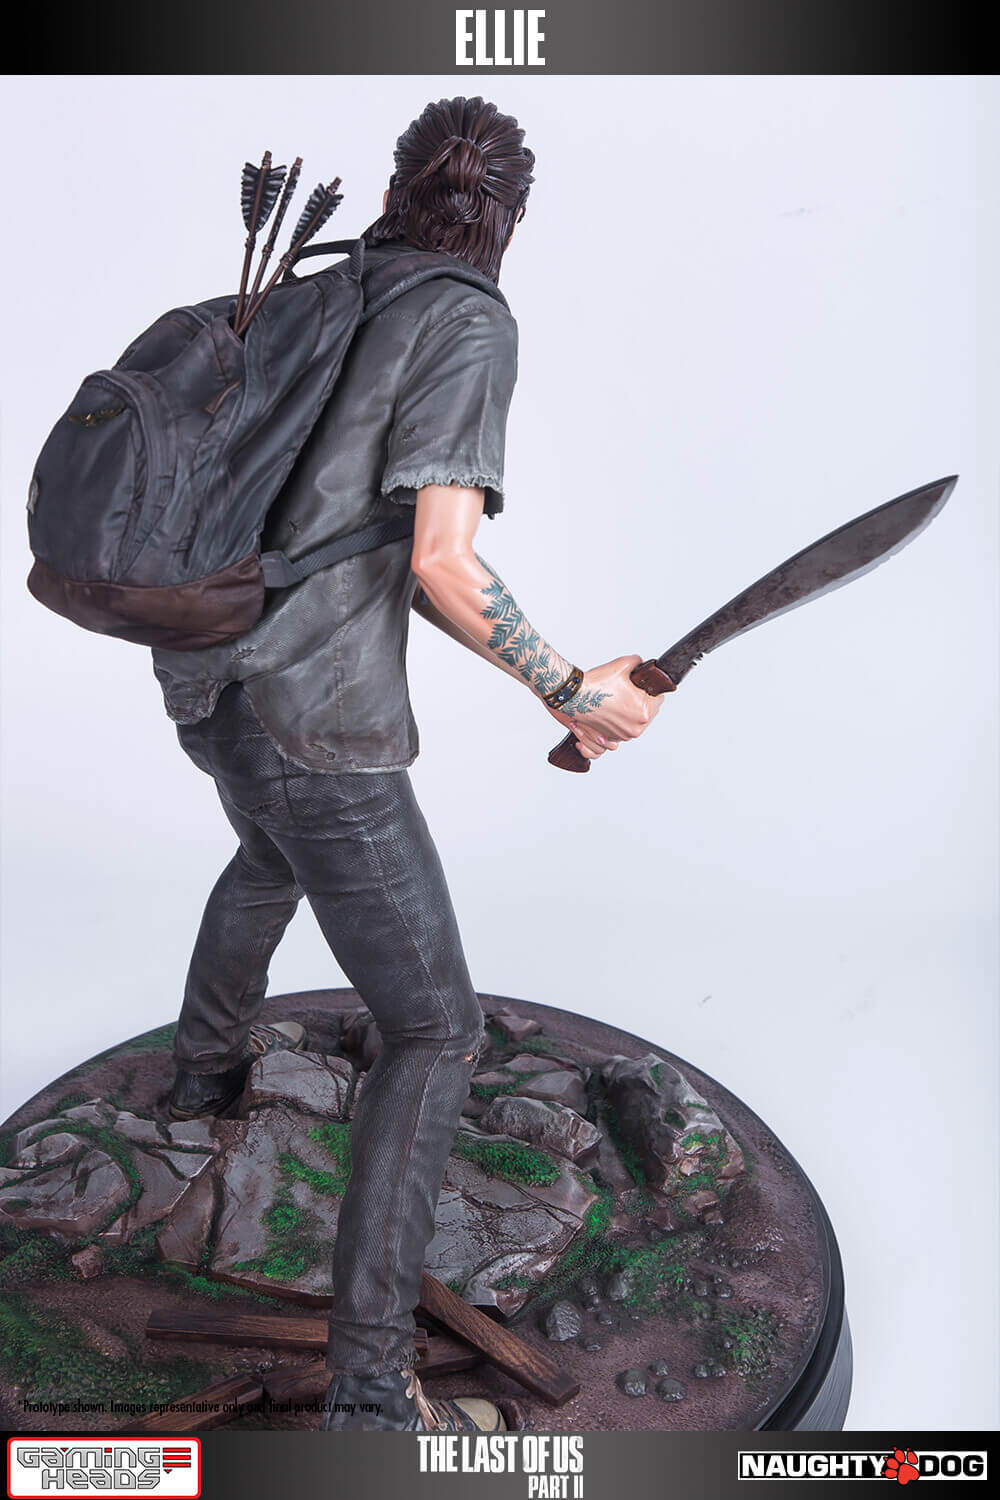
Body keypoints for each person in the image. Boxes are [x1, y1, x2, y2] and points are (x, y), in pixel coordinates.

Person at [150, 95, 662, 1433]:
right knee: (436, 1029)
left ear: (395, 189)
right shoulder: (466, 322)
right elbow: (441, 559)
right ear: (509, 219)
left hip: (201, 672)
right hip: (315, 717)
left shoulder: (315, 289)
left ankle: (200, 1080)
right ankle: (371, 1392)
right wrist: (573, 689)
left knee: (268, 854)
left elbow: (312, 518)